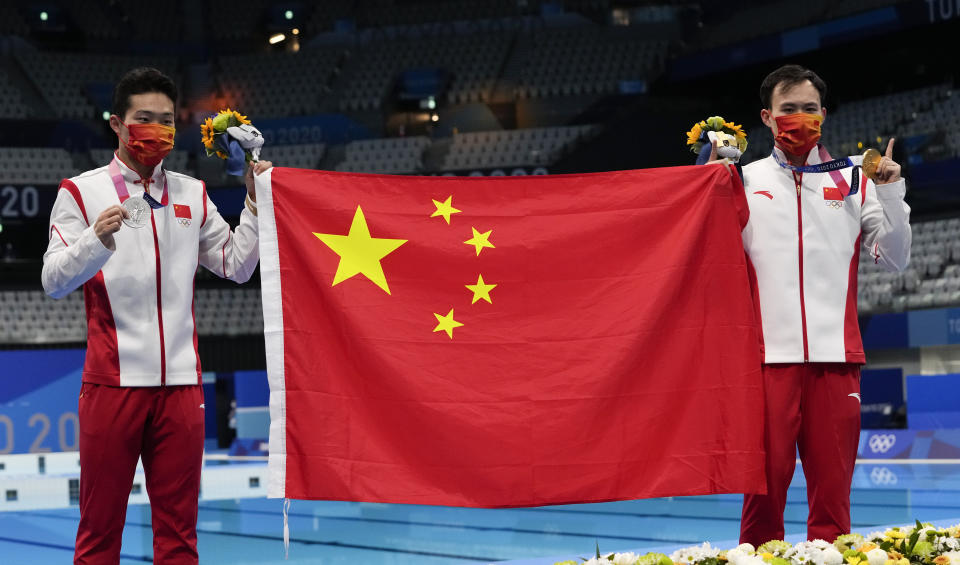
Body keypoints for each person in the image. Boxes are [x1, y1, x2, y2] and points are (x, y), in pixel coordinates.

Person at [41, 67, 272, 564]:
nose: (155, 130)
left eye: (166, 121)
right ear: (118, 126)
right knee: (99, 537)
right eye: (143, 118)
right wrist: (94, 241)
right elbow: (53, 280)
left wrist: (253, 198)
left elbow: (236, 265)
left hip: (183, 390)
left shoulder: (192, 193)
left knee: (180, 539)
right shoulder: (80, 192)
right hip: (112, 386)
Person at [708, 64, 912, 544]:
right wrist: (705, 178)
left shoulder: (853, 180)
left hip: (837, 361)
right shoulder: (739, 180)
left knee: (834, 499)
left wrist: (891, 191)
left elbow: (896, 259)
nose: (799, 118)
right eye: (787, 109)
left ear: (824, 113)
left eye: (808, 108)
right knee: (762, 496)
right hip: (765, 363)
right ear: (767, 116)